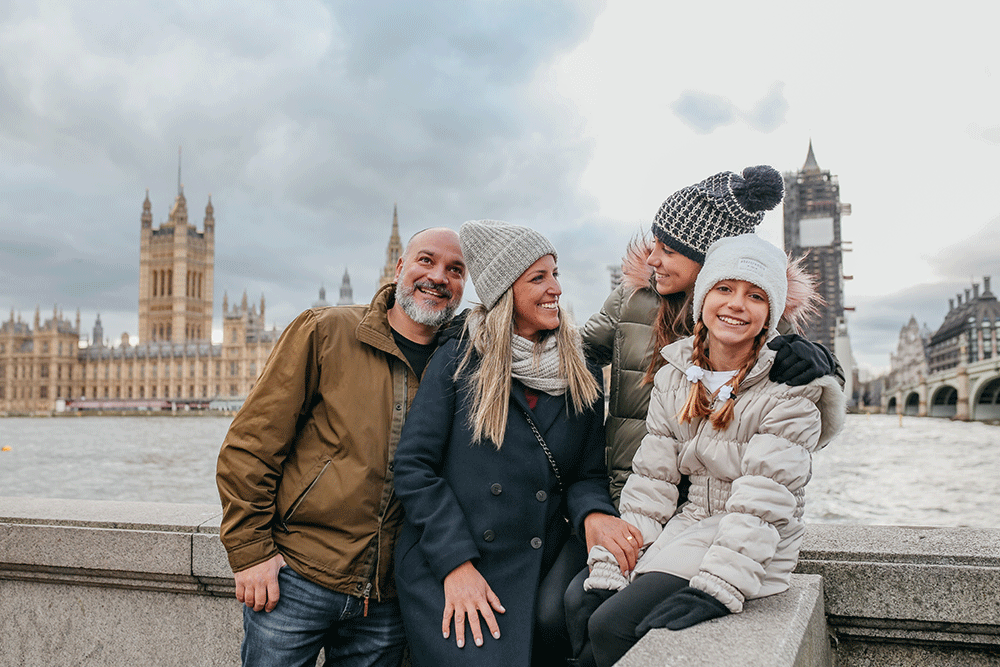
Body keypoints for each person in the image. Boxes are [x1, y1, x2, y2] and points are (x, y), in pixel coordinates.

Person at [571, 234, 846, 667]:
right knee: (581, 606)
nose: (737, 304)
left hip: (748, 542)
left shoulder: (790, 389)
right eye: (724, 289)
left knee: (611, 626)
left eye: (755, 296)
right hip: (691, 522)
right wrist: (613, 560)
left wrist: (720, 584)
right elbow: (653, 482)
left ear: (771, 313)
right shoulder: (675, 374)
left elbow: (765, 501)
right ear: (702, 299)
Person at [392, 220, 642, 667]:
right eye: (539, 278)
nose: (557, 289)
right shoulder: (460, 356)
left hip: (537, 563)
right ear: (507, 290)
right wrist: (455, 565)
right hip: (451, 561)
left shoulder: (579, 365)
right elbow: (414, 467)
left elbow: (586, 473)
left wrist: (595, 514)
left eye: (556, 274)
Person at [216, 227, 467, 667]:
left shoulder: (462, 363)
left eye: (455, 269)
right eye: (426, 261)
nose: (439, 276)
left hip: (388, 601)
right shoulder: (327, 331)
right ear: (399, 268)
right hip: (298, 581)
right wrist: (251, 552)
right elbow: (251, 445)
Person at [581, 165, 839, 510]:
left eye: (668, 250)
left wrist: (827, 366)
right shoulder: (630, 302)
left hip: (719, 511)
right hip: (633, 497)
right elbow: (574, 357)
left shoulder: (760, 319)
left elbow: (808, 408)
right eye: (655, 243)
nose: (652, 258)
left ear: (711, 262)